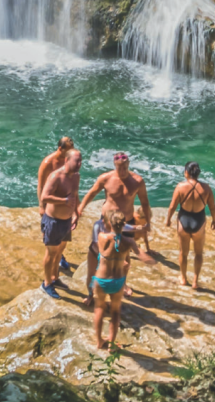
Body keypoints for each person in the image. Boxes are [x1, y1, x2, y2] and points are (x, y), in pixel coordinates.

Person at [78, 152, 152, 308]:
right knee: (99, 253)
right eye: (119, 168)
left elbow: (145, 202)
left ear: (129, 164)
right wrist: (80, 209)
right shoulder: (106, 178)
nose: (122, 171)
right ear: (114, 165)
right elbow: (91, 193)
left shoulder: (137, 181)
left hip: (126, 221)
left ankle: (123, 284)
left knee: (124, 256)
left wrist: (148, 222)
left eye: (125, 167)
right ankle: (92, 292)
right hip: (106, 222)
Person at [165, 161, 215, 289]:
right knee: (198, 253)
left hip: (184, 220)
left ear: (186, 172)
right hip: (198, 221)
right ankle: (195, 282)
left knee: (183, 252)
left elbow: (172, 206)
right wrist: (214, 220)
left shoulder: (180, 187)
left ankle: (183, 278)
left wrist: (168, 220)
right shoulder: (206, 188)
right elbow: (212, 207)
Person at [37, 150, 82, 299]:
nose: (79, 164)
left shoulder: (76, 176)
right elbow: (45, 196)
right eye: (76, 161)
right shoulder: (56, 176)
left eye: (80, 161)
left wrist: (76, 213)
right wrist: (64, 201)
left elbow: (75, 194)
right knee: (51, 253)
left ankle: (55, 278)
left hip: (66, 221)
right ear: (67, 161)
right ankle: (47, 283)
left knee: (60, 251)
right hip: (53, 221)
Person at [91, 209, 136, 350]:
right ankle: (111, 344)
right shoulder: (128, 242)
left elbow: (101, 250)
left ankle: (99, 341)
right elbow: (127, 261)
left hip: (102, 279)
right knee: (115, 312)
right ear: (124, 225)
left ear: (110, 223)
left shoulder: (102, 237)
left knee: (99, 308)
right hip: (118, 281)